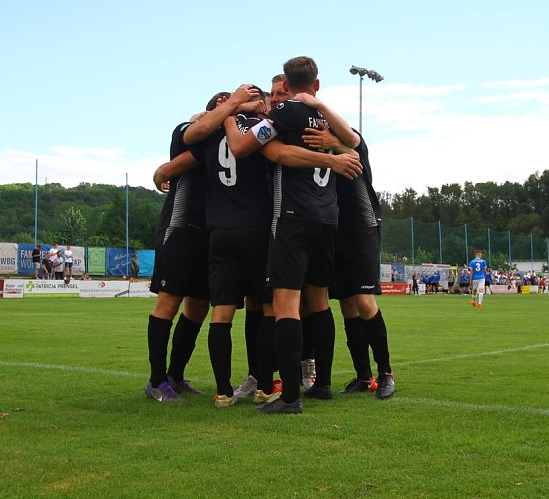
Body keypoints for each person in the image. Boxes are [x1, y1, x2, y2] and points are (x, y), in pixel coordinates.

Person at [144, 86, 257, 403]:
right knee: (169, 302)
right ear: (218, 107)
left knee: (196, 308)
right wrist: (161, 173)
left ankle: (175, 376)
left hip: (210, 233)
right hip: (180, 227)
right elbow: (173, 163)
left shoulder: (225, 139)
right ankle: (156, 381)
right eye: (229, 104)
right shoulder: (190, 129)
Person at [258, 56, 358, 414]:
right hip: (327, 219)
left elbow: (253, 144)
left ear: (286, 83)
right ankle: (324, 385)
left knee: (286, 304)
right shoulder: (326, 116)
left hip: (293, 216)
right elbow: (354, 141)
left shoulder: (285, 113)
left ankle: (289, 398)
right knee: (319, 302)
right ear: (317, 84)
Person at [300, 100, 396, 399]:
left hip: (361, 227)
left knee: (364, 301)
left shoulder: (347, 138)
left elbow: (355, 151)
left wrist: (334, 142)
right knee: (346, 305)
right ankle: (364, 376)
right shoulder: (310, 143)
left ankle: (386, 374)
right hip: (331, 230)